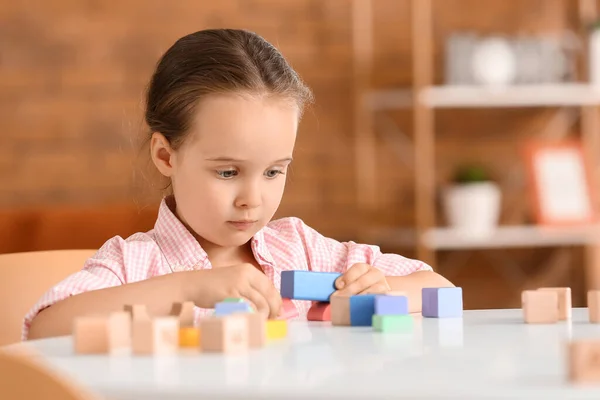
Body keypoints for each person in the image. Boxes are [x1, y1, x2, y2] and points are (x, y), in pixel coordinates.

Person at [24, 29, 454, 340]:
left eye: (273, 172)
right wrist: (190, 286)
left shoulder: (301, 250)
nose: (252, 200)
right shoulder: (134, 263)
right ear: (165, 156)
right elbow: (46, 326)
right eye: (228, 172)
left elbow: (438, 287)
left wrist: (377, 292)